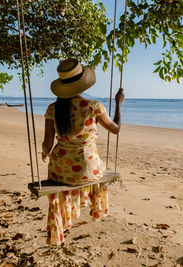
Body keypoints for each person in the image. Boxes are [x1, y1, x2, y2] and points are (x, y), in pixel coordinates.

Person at [41, 58, 124, 245]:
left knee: (64, 177)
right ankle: (89, 204)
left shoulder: (53, 108)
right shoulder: (94, 106)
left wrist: (44, 153)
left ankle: (59, 223)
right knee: (98, 168)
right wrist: (118, 103)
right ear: (82, 83)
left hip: (59, 171)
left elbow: (47, 143)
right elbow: (116, 129)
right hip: (88, 171)